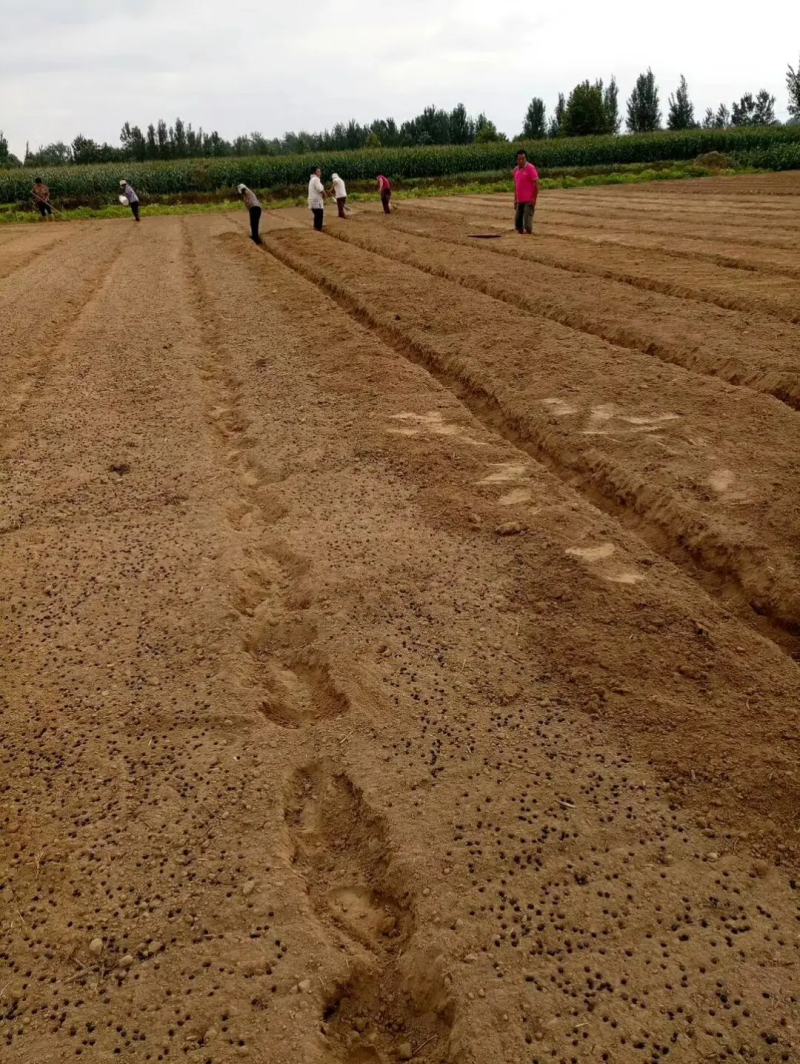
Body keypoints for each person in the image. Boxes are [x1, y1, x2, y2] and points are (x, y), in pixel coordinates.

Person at [513, 151, 539, 235]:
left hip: (529, 200)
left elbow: (536, 183)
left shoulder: (530, 168)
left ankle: (528, 236)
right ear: (517, 160)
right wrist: (515, 200)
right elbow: (516, 186)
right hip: (520, 201)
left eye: (523, 159)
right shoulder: (515, 170)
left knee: (527, 224)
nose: (521, 161)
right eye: (519, 159)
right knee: (518, 223)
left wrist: (534, 199)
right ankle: (520, 238)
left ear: (525, 159)